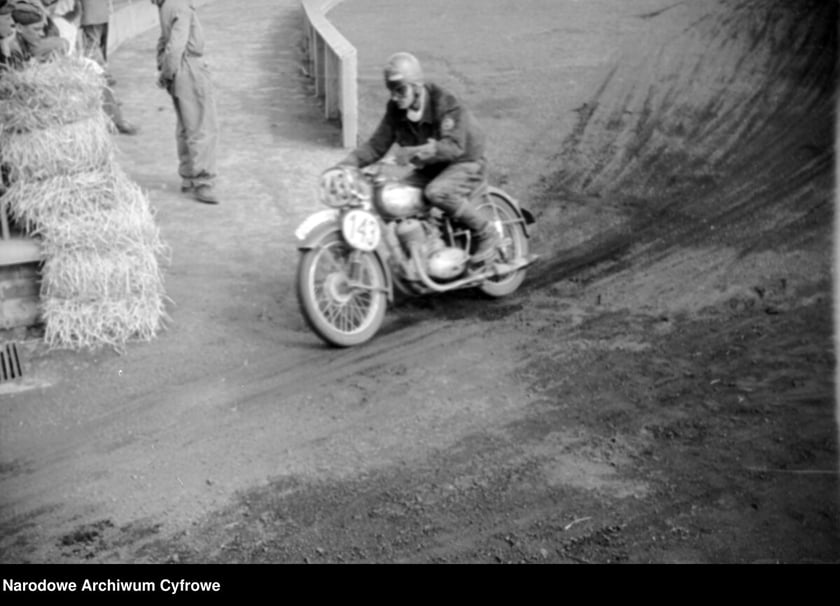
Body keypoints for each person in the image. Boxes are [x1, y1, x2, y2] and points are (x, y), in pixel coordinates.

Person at [337, 51, 500, 264]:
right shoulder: (395, 110)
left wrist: (413, 152)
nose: (395, 97)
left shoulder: (445, 103)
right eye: (391, 91)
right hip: (432, 166)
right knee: (394, 197)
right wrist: (345, 166)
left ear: (416, 86)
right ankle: (425, 246)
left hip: (465, 161)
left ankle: (487, 233)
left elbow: (453, 147)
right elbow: (376, 145)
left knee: (437, 192)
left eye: (400, 90)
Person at [151, 0, 220, 205]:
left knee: (185, 125)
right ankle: (202, 180)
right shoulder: (180, 5)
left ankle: (188, 176)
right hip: (189, 67)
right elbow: (175, 46)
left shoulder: (166, 5)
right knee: (201, 126)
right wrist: (167, 72)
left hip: (179, 69)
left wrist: (164, 70)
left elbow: (163, 41)